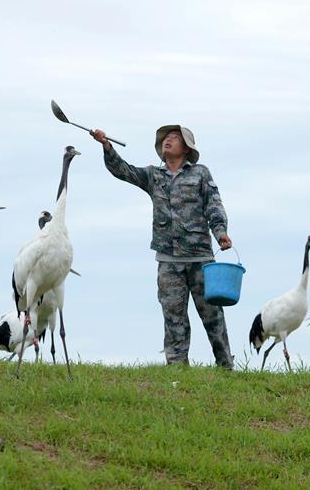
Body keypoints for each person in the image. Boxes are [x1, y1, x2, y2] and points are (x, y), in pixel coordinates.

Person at [90, 124, 235, 369]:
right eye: (166, 138)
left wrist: (221, 233)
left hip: (200, 259)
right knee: (173, 317)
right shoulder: (153, 176)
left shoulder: (200, 173)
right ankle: (177, 368)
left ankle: (225, 366)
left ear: (186, 148)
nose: (168, 140)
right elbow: (123, 171)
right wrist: (107, 146)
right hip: (168, 261)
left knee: (213, 317)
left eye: (175, 138)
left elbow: (214, 205)